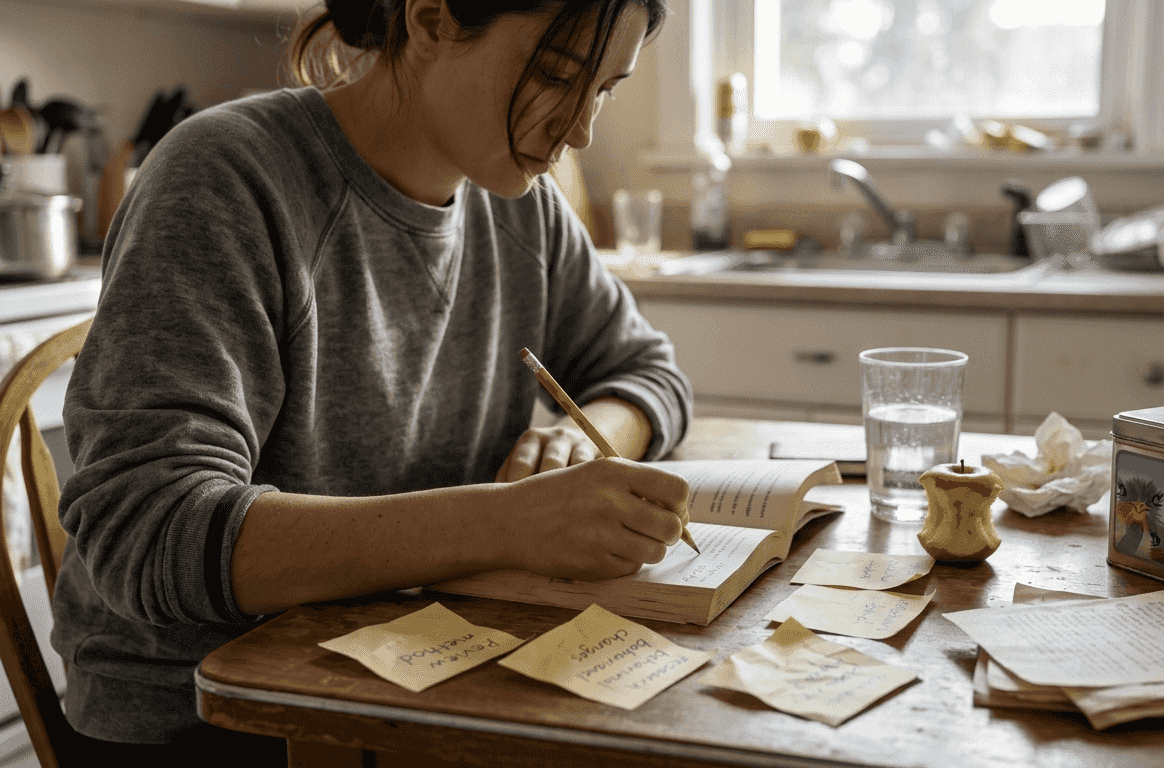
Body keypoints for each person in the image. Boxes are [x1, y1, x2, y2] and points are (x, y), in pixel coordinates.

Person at [50, 0, 687, 761]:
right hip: (212, 718)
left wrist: (580, 445)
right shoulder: (225, 175)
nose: (581, 129)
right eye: (556, 75)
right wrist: (510, 521)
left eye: (607, 88)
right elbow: (151, 534)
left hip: (415, 673)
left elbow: (645, 370)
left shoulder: (524, 209)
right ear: (429, 19)